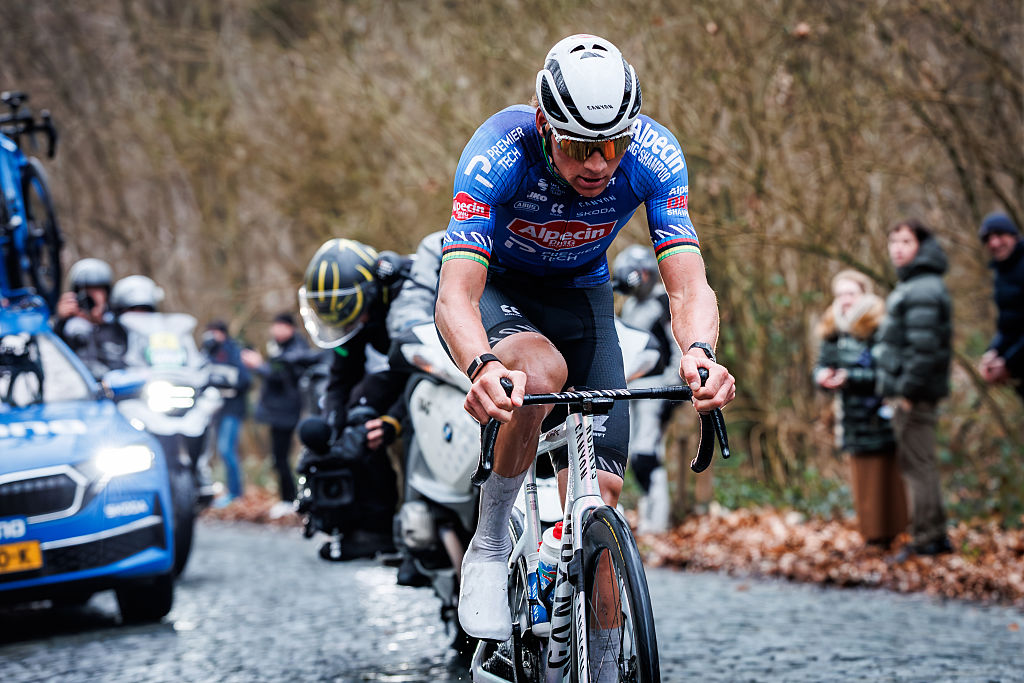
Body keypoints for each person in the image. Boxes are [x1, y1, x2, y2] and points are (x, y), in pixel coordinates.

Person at [434, 34, 735, 642]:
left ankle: (595, 644)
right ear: (546, 126)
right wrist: (481, 365)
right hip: (505, 289)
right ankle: (490, 543)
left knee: (604, 493)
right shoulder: (499, 152)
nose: (599, 164)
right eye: (579, 146)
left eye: (613, 145)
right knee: (539, 377)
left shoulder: (655, 154)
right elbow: (455, 296)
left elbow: (688, 286)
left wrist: (700, 351)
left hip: (583, 296)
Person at [296, 238, 412, 550]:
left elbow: (427, 370)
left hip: (432, 373)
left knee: (370, 411)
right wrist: (333, 431)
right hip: (392, 375)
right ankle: (371, 528)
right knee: (354, 420)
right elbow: (340, 377)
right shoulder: (354, 323)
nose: (353, 324)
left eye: (354, 315)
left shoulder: (410, 292)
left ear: (370, 296)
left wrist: (394, 421)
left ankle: (419, 527)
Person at [874, 219, 953, 560]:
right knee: (921, 464)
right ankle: (933, 536)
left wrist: (906, 392)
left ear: (921, 245)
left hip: (913, 396)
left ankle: (926, 539)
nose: (898, 248)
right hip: (913, 392)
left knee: (917, 466)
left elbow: (924, 350)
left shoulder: (922, 288)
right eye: (894, 241)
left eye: (906, 241)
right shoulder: (918, 285)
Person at [814, 270, 907, 547]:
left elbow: (888, 373)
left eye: (851, 293)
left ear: (864, 294)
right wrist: (822, 377)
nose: (845, 300)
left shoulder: (879, 325)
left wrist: (851, 378)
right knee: (862, 479)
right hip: (849, 417)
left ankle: (894, 534)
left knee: (885, 477)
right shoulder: (832, 328)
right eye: (840, 294)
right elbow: (821, 364)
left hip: (879, 414)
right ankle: (872, 536)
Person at [612, 244, 680, 534]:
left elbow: (676, 344)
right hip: (632, 388)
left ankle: (658, 522)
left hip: (658, 389)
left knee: (646, 453)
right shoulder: (629, 306)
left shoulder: (663, 303)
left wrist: (674, 384)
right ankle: (649, 516)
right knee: (635, 456)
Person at [242, 312, 318, 519]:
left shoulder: (296, 351)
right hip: (278, 412)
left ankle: (289, 499)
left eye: (279, 326)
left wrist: (259, 365)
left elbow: (278, 375)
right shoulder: (280, 348)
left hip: (286, 412)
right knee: (279, 458)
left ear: (290, 328)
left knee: (282, 458)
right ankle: (289, 498)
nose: (275, 330)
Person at [200, 319, 252, 506]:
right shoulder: (207, 352)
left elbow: (245, 381)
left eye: (214, 332)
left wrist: (224, 382)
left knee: (226, 449)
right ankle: (228, 492)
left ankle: (236, 494)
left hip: (232, 409)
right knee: (215, 451)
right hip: (214, 410)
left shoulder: (234, 351)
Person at [976, 212, 1024, 402]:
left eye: (999, 235)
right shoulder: (1002, 273)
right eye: (988, 238)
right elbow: (1008, 326)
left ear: (1014, 235)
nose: (994, 243)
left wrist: (1008, 363)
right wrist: (993, 353)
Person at [54, 258, 128, 378]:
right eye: (86, 290)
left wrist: (99, 320)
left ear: (107, 294)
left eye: (97, 289)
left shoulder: (119, 327)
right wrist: (60, 322)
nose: (91, 295)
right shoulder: (69, 329)